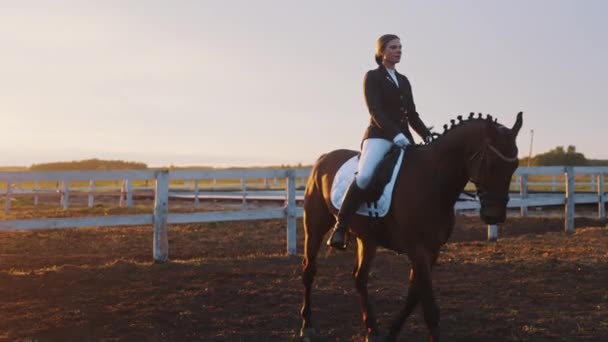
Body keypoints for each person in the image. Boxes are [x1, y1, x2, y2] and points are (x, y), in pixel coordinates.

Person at [327, 34, 433, 250]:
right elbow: (376, 111)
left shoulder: (404, 80)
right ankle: (341, 226)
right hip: (379, 136)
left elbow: (412, 114)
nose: (399, 50)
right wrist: (395, 135)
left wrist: (426, 135)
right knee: (365, 175)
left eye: (400, 47)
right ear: (381, 51)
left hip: (404, 137)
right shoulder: (372, 77)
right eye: (394, 47)